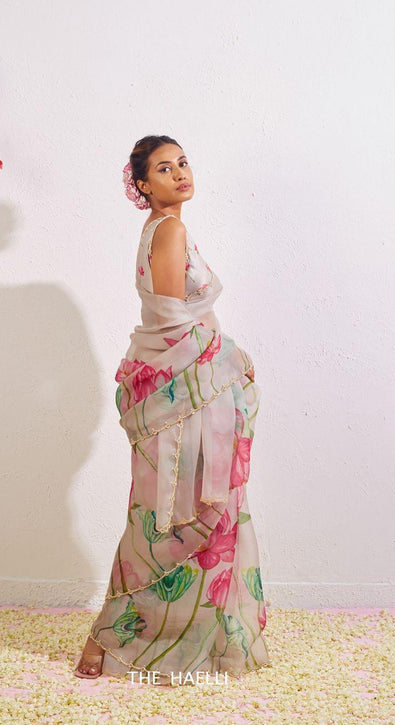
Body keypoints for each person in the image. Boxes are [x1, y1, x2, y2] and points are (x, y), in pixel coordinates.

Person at [73, 135, 270, 686]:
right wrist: (233, 356)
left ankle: (186, 638)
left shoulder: (159, 229)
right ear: (142, 184)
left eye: (183, 162)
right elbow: (171, 322)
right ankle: (113, 637)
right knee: (173, 511)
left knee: (166, 510)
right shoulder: (169, 230)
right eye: (164, 168)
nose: (181, 173)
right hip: (184, 392)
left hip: (190, 388)